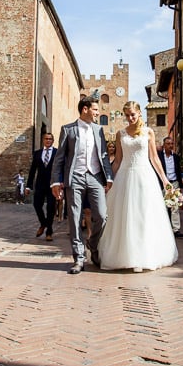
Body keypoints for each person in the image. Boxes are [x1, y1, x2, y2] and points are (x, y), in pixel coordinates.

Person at [98, 101, 178, 273]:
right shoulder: (120, 134)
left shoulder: (148, 132)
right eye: (127, 115)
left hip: (145, 177)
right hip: (125, 178)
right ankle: (125, 255)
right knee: (125, 217)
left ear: (139, 113)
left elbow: (154, 158)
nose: (130, 118)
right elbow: (118, 160)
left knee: (144, 215)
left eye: (133, 114)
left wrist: (165, 180)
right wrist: (109, 180)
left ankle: (144, 255)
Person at [51, 96, 113, 274]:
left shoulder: (99, 130)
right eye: (95, 109)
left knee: (102, 215)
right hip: (75, 177)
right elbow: (60, 158)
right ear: (85, 109)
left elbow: (103, 156)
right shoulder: (68, 130)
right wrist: (56, 181)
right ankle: (78, 258)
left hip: (95, 177)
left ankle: (92, 245)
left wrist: (108, 176)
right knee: (75, 217)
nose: (98, 112)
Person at [26, 132, 57, 241]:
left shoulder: (57, 153)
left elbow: (60, 169)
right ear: (43, 140)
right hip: (39, 184)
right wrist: (28, 186)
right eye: (46, 139)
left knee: (51, 207)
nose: (48, 141)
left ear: (52, 141)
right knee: (37, 205)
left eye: (50, 139)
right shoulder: (37, 154)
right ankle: (43, 224)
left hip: (53, 185)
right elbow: (32, 171)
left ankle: (49, 232)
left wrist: (61, 183)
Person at [158, 136, 183, 238]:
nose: (170, 146)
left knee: (175, 207)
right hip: (163, 183)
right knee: (163, 207)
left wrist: (180, 185)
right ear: (164, 145)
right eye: (168, 144)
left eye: (171, 144)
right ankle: (164, 229)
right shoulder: (159, 156)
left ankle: (176, 230)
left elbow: (178, 171)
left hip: (174, 183)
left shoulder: (176, 157)